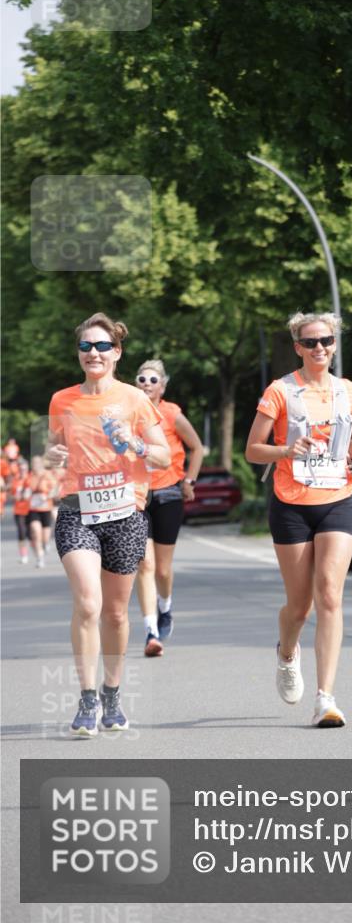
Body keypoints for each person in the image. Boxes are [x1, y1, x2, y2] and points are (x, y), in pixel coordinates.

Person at [46, 313, 170, 737]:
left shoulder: (135, 400)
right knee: (88, 602)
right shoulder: (62, 400)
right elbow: (53, 450)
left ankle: (112, 693)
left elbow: (163, 456)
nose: (93, 354)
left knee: (116, 613)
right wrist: (53, 458)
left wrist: (134, 443)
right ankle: (86, 700)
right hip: (77, 510)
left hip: (124, 513)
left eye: (101, 347)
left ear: (116, 353)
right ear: (78, 353)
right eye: (86, 347)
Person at [245, 312, 352, 728]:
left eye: (327, 340)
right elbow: (252, 450)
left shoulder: (348, 391)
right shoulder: (280, 391)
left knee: (330, 594)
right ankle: (286, 652)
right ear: (298, 347)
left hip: (338, 498)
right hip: (292, 504)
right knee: (300, 607)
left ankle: (325, 698)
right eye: (311, 342)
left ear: (334, 344)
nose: (320, 348)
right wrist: (285, 451)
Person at [134, 359, 204, 657]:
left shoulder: (172, 413)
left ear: (162, 387)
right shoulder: (125, 411)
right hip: (135, 495)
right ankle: (150, 630)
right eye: (142, 379)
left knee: (162, 568)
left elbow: (197, 447)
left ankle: (165, 607)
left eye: (153, 380)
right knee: (144, 565)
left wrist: (190, 480)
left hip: (167, 493)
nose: (147, 384)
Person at [28, 455, 55, 567]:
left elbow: (55, 488)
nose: (34, 465)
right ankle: (40, 558)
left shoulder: (47, 475)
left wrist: (48, 496)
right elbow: (24, 488)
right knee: (36, 531)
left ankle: (45, 545)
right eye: (33, 463)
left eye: (36, 463)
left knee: (45, 537)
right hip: (33, 508)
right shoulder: (29, 476)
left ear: (41, 464)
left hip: (46, 507)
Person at [11, 459, 32, 564]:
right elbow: (13, 494)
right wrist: (16, 496)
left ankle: (38, 550)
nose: (23, 470)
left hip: (32, 510)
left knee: (31, 533)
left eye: (25, 468)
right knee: (21, 533)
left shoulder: (31, 478)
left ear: (27, 468)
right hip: (18, 510)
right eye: (21, 469)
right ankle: (24, 555)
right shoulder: (15, 479)